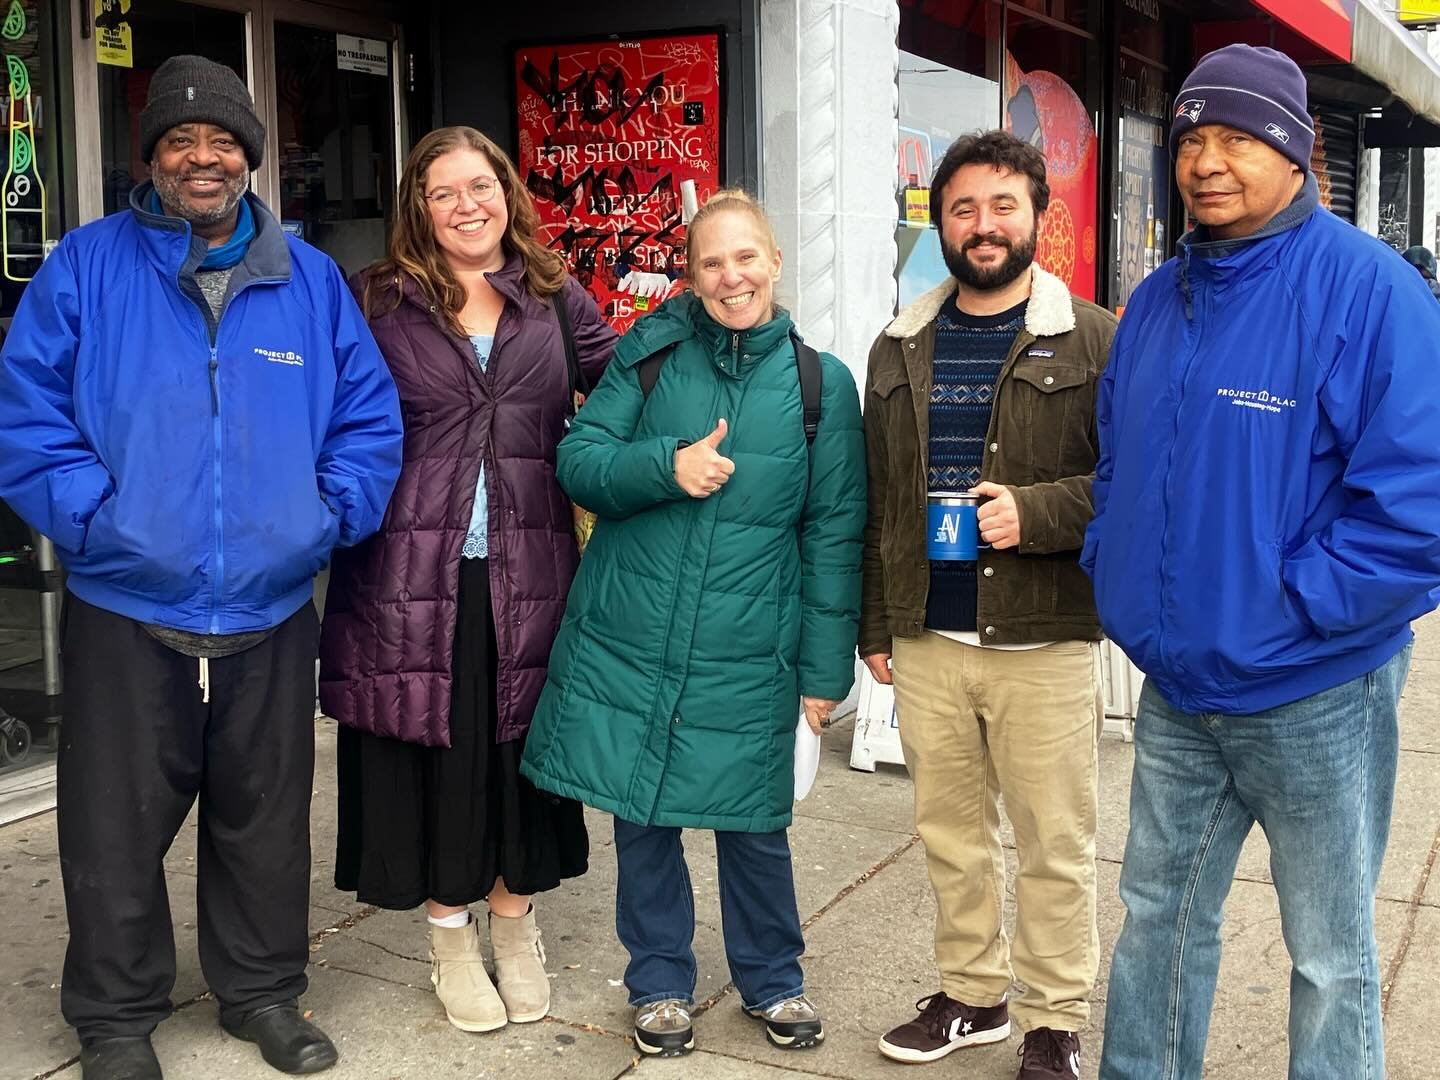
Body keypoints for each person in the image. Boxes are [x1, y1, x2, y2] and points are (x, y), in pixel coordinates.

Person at [0, 56, 403, 1080]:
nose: (202, 156)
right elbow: (30, 417)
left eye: (222, 139)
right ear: (152, 158)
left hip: (270, 601)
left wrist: (324, 517)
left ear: (251, 156)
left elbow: (366, 421)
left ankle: (262, 995)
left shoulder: (309, 281)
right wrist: (95, 521)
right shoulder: (87, 267)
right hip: (125, 597)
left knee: (265, 823)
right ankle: (114, 1017)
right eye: (180, 139)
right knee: (113, 829)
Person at [1085, 44, 1440, 1080]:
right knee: (1158, 920)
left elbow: (1418, 503)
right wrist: (1117, 563)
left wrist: (1299, 605)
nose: (1207, 161)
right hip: (1181, 686)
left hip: (1314, 688)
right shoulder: (1156, 298)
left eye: (1237, 138)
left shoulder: (1372, 294)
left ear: (1297, 151)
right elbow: (1121, 461)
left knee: (1330, 957)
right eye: (1192, 138)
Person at [520, 189, 865, 1057]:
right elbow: (581, 462)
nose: (731, 276)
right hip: (633, 636)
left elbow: (833, 536)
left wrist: (826, 674)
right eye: (711, 262)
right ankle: (660, 981)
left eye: (745, 257)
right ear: (692, 273)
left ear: (775, 262)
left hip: (750, 647)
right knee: (645, 819)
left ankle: (773, 980)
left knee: (754, 823)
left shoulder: (823, 385)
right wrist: (664, 467)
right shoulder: (651, 352)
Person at [318, 126, 614, 1035]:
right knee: (433, 757)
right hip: (408, 575)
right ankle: (450, 938)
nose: (467, 207)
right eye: (444, 192)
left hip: (530, 571)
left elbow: (635, 386)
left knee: (518, 752)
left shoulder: (556, 299)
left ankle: (515, 924)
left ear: (507, 193)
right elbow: (317, 414)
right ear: (419, 206)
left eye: (480, 186)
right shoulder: (376, 300)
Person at [860, 131, 1115, 1080]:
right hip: (930, 633)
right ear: (939, 223)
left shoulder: (1093, 337)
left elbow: (1139, 484)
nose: (983, 225)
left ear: (1038, 217)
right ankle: (974, 994)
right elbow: (877, 498)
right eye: (963, 208)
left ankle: (1056, 1019)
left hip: (1043, 636)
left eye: (1003, 205)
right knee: (950, 834)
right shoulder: (899, 343)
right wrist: (874, 624)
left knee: (1056, 842)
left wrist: (1038, 512)